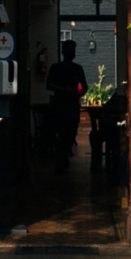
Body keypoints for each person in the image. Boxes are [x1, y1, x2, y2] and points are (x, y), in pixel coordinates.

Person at [47, 39, 87, 167]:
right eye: (70, 50)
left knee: (70, 132)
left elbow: (85, 87)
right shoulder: (57, 68)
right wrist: (66, 91)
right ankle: (62, 157)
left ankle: (63, 155)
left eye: (72, 50)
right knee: (63, 132)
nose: (71, 53)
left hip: (70, 104)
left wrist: (76, 94)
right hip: (62, 105)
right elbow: (49, 85)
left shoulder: (76, 68)